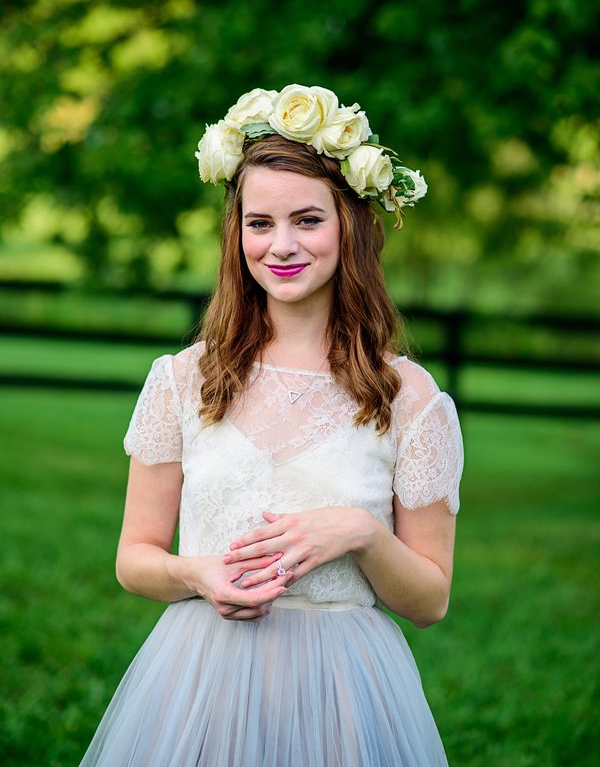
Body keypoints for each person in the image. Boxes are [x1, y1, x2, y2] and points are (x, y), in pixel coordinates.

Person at [80, 84, 464, 767]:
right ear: (238, 234)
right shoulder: (182, 378)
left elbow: (431, 599)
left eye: (307, 220)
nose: (281, 245)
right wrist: (197, 575)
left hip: (344, 693)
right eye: (260, 223)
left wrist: (363, 534)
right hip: (201, 680)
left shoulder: (410, 396)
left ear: (350, 224)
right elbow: (134, 557)